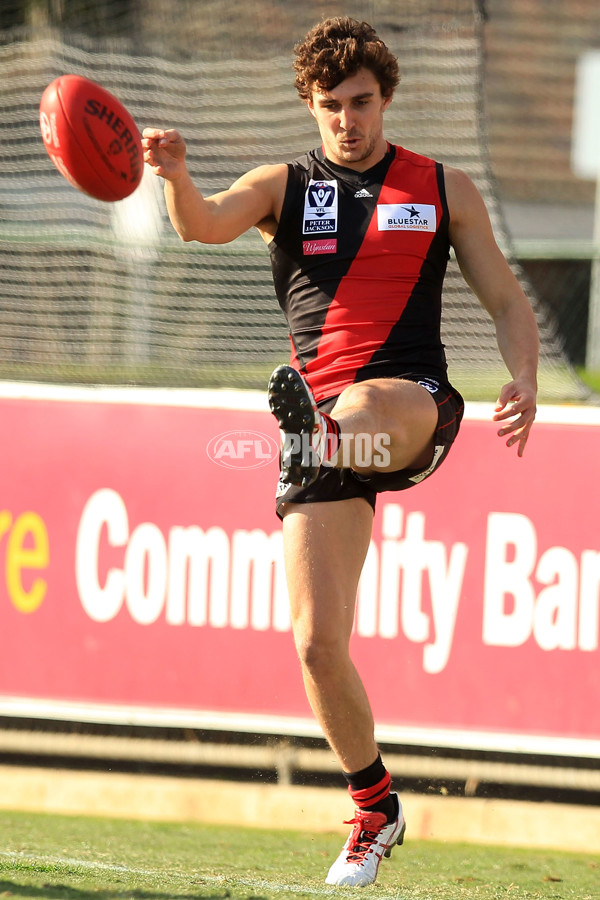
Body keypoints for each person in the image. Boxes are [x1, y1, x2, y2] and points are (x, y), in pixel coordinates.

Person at [143, 16, 539, 888]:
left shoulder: (441, 187)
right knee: (318, 644)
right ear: (312, 107)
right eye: (330, 107)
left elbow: (509, 303)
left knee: (357, 405)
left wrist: (524, 379)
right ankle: (375, 806)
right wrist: (174, 177)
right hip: (321, 434)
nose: (347, 121)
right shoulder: (284, 186)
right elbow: (203, 225)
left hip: (411, 408)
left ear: (386, 98)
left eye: (361, 103)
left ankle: (318, 433)